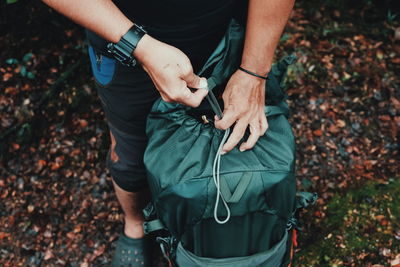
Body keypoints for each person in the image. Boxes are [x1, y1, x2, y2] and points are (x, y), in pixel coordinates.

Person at [42, 0, 295, 265]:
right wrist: (138, 45)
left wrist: (254, 71)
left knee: (241, 131)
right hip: (120, 38)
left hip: (230, 30)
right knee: (130, 154)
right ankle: (135, 223)